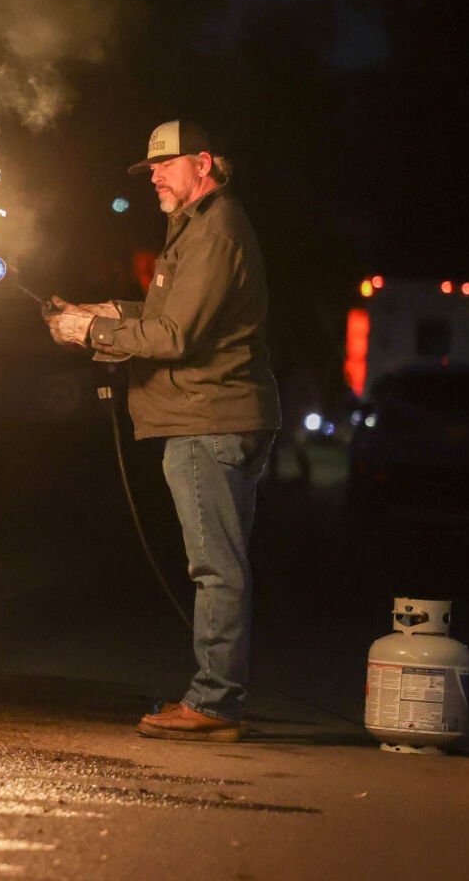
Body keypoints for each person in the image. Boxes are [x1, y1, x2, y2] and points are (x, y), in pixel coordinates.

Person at [47, 120, 280, 742]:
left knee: (216, 568)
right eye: (150, 168)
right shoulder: (196, 229)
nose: (153, 176)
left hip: (210, 420)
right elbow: (165, 318)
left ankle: (214, 703)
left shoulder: (214, 232)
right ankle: (217, 698)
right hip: (212, 416)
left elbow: (176, 338)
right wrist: (104, 312)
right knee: (219, 564)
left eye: (165, 165)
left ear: (202, 164)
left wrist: (91, 334)